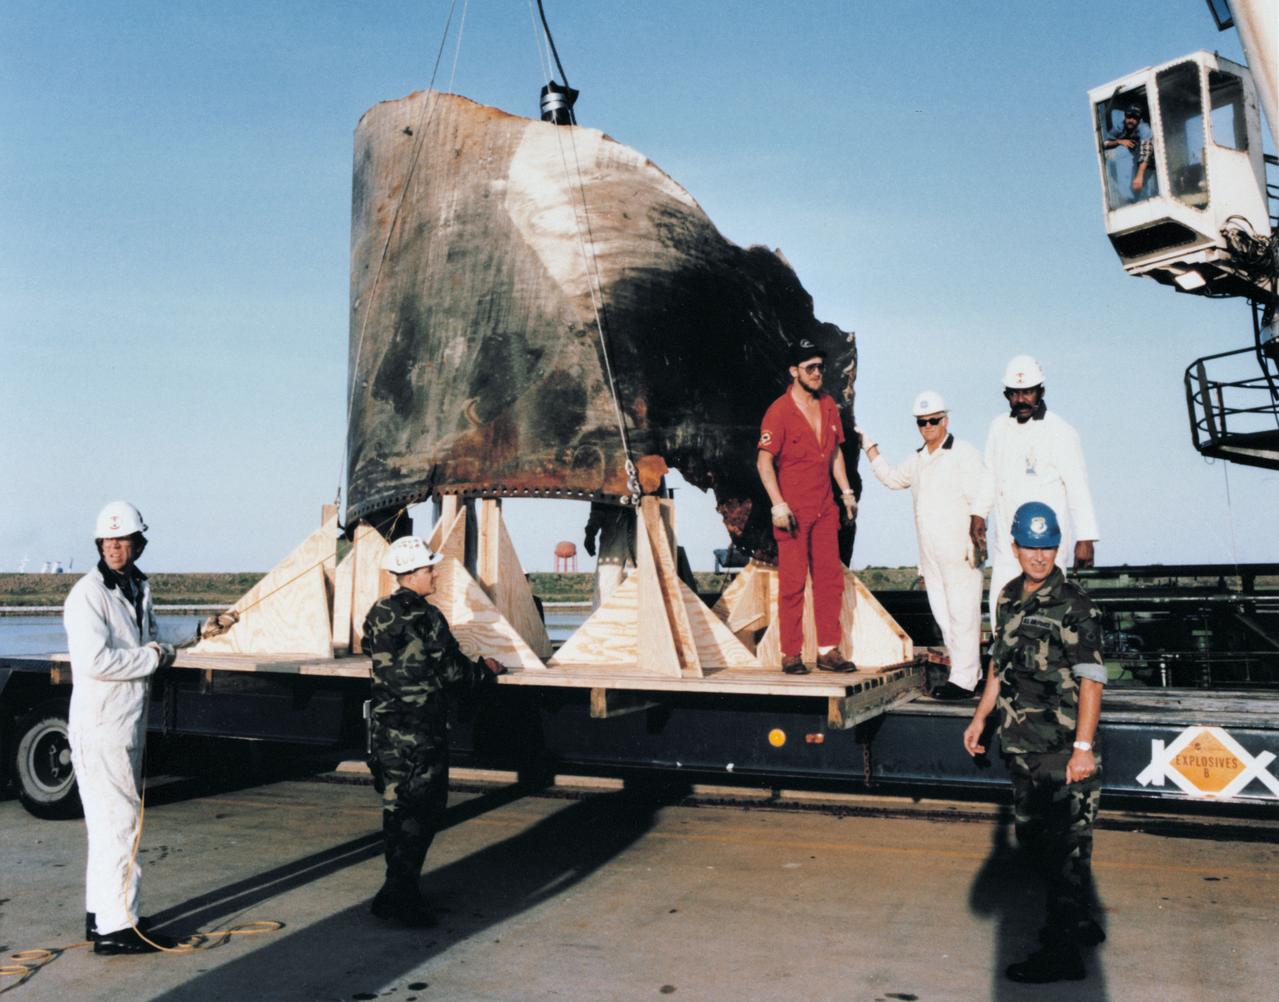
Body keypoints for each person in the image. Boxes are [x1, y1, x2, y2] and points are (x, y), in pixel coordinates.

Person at [64, 501, 235, 955]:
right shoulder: (87, 595)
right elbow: (97, 661)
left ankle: (102, 916)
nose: (116, 547)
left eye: (123, 540)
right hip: (102, 727)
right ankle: (118, 929)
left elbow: (152, 633)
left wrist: (199, 628)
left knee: (108, 826)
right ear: (99, 544)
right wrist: (156, 658)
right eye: (108, 541)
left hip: (126, 723)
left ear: (138, 544)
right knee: (119, 825)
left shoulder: (137, 587)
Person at [962, 502, 1108, 984]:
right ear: (1015, 546)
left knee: (1062, 847)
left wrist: (1083, 749)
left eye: (1047, 547)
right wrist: (980, 717)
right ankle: (1080, 920)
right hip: (1021, 743)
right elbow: (996, 666)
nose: (1039, 557)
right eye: (1031, 546)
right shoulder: (1006, 597)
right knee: (1040, 843)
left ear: (1057, 547)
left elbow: (1091, 679)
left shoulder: (1074, 603)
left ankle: (1062, 953)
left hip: (1063, 749)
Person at [362, 535, 507, 926]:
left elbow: (370, 647)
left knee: (396, 809)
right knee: (421, 813)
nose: (435, 575)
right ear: (411, 573)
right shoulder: (428, 617)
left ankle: (392, 891)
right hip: (420, 734)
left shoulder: (378, 612)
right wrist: (487, 670)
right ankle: (400, 901)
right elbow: (454, 674)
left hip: (385, 730)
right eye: (430, 569)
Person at [859, 390, 994, 699]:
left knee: (964, 616)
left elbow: (983, 494)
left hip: (960, 551)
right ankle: (961, 674)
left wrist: (978, 529)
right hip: (930, 555)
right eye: (922, 422)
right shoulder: (918, 459)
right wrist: (870, 447)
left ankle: (965, 679)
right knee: (945, 618)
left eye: (933, 421)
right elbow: (893, 479)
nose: (928, 427)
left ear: (945, 420)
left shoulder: (964, 453)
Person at [757, 338, 858, 674]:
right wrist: (777, 505)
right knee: (793, 581)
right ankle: (791, 653)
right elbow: (763, 462)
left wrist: (846, 492)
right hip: (793, 511)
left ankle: (829, 650)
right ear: (794, 371)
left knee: (830, 578)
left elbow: (835, 453)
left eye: (820, 367)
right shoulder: (779, 411)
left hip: (824, 506)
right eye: (810, 368)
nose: (817, 373)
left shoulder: (828, 405)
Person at [984, 355, 1098, 616]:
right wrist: (978, 514)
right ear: (1007, 395)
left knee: (1047, 614)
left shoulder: (1061, 431)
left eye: (1028, 392)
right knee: (1002, 610)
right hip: (1008, 546)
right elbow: (988, 475)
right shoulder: (998, 429)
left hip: (1046, 545)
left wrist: (1086, 537)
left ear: (1040, 392)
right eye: (1015, 393)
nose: (1021, 400)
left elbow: (1078, 485)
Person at [583, 501, 636, 609]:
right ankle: (601, 619)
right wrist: (591, 532)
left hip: (639, 523)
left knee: (640, 580)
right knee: (606, 583)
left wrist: (591, 532)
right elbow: (597, 507)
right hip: (613, 527)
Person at [1102, 104, 1156, 206]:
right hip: (1128, 160)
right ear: (1125, 116)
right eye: (1128, 117)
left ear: (1139, 119)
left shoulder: (1144, 129)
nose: (1131, 120)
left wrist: (1139, 176)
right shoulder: (1120, 126)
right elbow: (1105, 143)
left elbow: (1146, 152)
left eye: (1134, 118)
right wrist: (1119, 141)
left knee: (1141, 188)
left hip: (1145, 162)